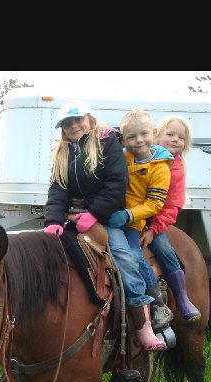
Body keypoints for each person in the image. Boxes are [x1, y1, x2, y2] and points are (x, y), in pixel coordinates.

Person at [44, 99, 167, 351]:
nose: (74, 126)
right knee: (46, 255)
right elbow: (58, 189)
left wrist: (95, 213)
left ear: (89, 119)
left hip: (107, 216)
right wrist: (53, 221)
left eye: (78, 119)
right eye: (68, 123)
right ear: (62, 128)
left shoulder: (107, 142)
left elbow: (116, 183)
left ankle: (143, 324)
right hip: (74, 218)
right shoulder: (63, 152)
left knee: (124, 257)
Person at [108, 109, 175, 333]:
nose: (138, 141)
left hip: (131, 223)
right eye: (131, 137)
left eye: (143, 134)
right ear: (123, 139)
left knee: (134, 257)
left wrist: (128, 215)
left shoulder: (160, 168)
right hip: (111, 215)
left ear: (154, 133)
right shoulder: (123, 157)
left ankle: (156, 303)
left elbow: (155, 203)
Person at [140, 116, 201, 321]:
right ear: (157, 134)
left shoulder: (177, 170)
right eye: (170, 134)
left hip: (155, 221)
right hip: (133, 214)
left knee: (164, 249)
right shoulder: (142, 156)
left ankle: (182, 297)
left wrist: (153, 229)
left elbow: (173, 206)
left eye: (181, 137)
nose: (175, 139)